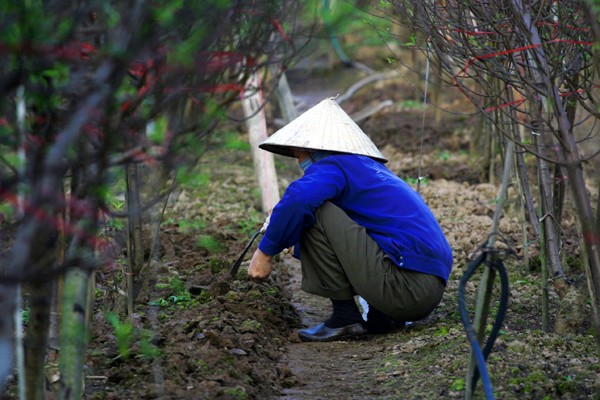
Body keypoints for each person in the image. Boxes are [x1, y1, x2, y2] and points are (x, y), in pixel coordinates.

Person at [248, 98, 453, 342]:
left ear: (315, 150)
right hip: (425, 289)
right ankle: (383, 314)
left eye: (298, 154)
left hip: (405, 288)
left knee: (316, 209)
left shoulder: (335, 165)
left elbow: (298, 200)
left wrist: (264, 253)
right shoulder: (367, 171)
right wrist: (296, 241)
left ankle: (345, 318)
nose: (298, 162)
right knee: (318, 211)